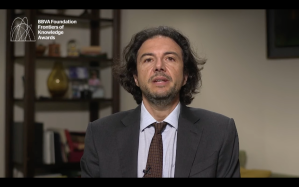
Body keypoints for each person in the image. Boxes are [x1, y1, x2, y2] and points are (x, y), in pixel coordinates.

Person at [80, 26, 240, 178]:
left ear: (185, 75)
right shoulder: (100, 134)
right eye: (148, 59)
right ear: (135, 77)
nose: (159, 66)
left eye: (170, 58)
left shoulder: (220, 132)